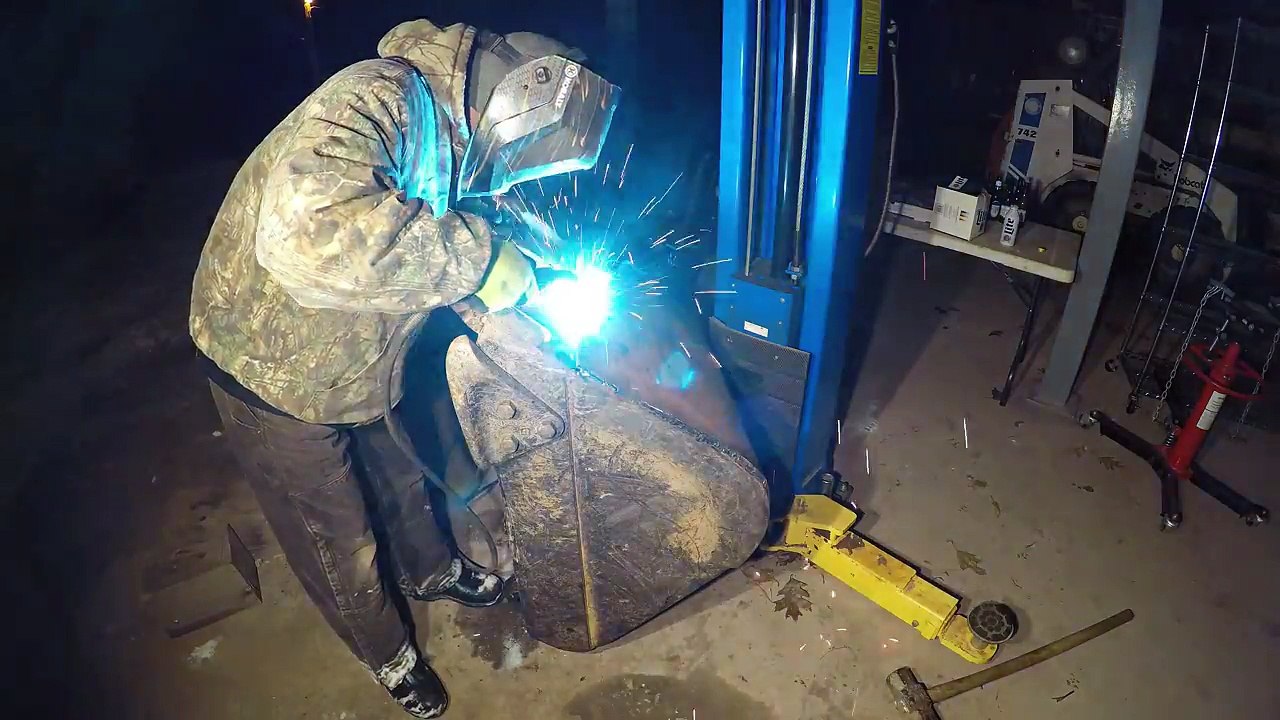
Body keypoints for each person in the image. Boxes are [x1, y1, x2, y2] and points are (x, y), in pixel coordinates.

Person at [188, 18, 617, 718]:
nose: (513, 172)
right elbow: (304, 237)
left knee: (401, 473)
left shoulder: (459, 143)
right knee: (338, 535)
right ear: (512, 105)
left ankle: (432, 571)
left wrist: (526, 281)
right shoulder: (377, 98)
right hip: (272, 364)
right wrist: (479, 261)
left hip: (359, 350)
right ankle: (389, 656)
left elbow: (450, 240)